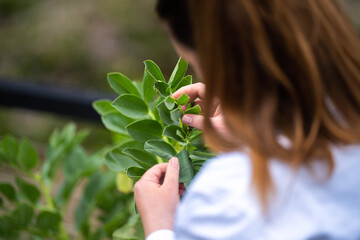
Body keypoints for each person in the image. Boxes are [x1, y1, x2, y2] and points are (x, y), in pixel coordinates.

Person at [134, 0, 360, 239]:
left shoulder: (224, 200)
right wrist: (257, 135)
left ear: (223, 65)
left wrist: (161, 227)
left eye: (195, 63)